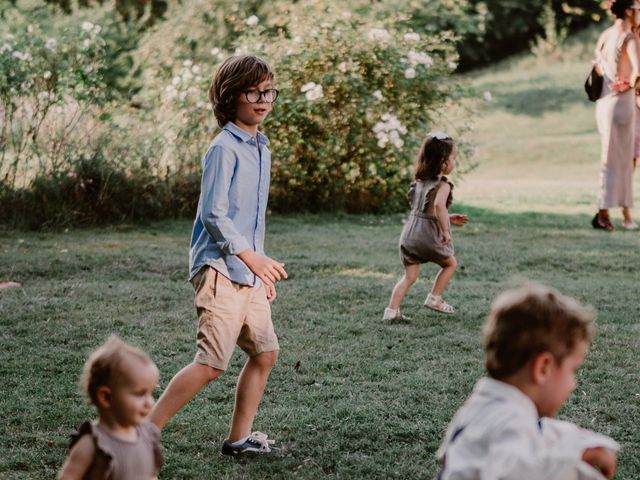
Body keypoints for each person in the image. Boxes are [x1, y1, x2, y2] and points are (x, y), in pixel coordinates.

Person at [149, 54, 287, 456]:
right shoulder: (223, 149)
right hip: (219, 269)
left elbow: (251, 220)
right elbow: (214, 214)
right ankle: (142, 434)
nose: (263, 99)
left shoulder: (261, 147)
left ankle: (238, 440)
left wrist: (258, 268)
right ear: (231, 96)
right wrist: (251, 260)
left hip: (247, 270)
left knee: (265, 353)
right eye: (253, 91)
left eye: (269, 91)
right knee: (211, 363)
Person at [436, 283, 620, 480]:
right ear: (543, 368)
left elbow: (540, 429)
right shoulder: (510, 421)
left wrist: (581, 441)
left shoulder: (484, 405)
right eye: (572, 370)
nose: (573, 383)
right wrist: (576, 462)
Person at [383, 132, 468, 320]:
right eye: (454, 158)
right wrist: (445, 230)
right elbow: (438, 206)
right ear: (443, 162)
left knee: (409, 276)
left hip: (409, 234)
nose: (454, 162)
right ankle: (434, 298)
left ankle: (391, 311)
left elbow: (426, 209)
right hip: (427, 235)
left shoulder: (419, 182)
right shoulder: (443, 185)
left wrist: (448, 217)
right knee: (450, 263)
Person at [58, 336, 163, 480]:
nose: (150, 403)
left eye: (150, 393)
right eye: (140, 394)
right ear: (106, 397)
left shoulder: (148, 436)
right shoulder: (93, 444)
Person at [592, 0, 640, 231]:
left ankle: (607, 212)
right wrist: (629, 84)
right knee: (619, 162)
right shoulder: (629, 37)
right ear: (629, 11)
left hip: (604, 104)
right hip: (622, 105)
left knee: (610, 159)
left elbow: (597, 65)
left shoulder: (605, 35)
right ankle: (603, 212)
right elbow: (639, 71)